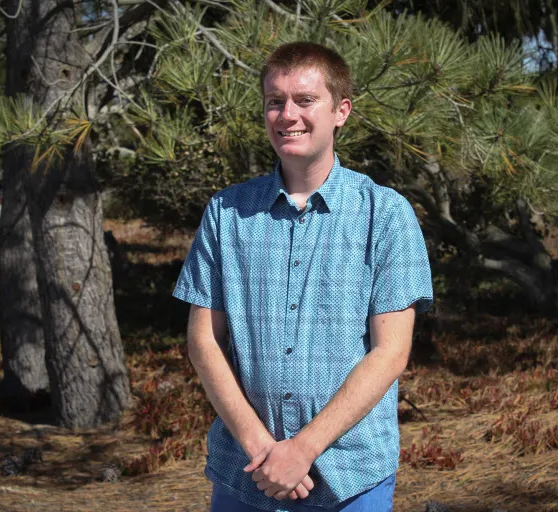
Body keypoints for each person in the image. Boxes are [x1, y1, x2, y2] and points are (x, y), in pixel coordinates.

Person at [173, 41, 433, 512]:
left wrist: (302, 450)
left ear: (341, 111)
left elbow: (391, 352)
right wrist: (263, 450)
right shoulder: (226, 213)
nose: (287, 114)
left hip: (352, 476)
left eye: (305, 100)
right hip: (244, 474)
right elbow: (203, 342)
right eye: (275, 101)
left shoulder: (386, 214)